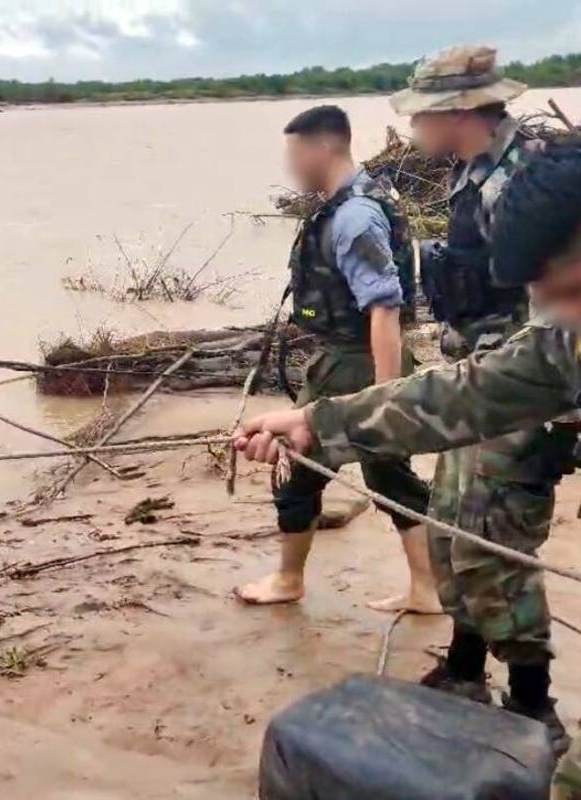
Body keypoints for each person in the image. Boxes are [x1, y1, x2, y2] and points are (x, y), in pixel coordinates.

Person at [233, 138, 581, 757]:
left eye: (571, 290)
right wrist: (317, 423)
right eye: (545, 295)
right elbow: (466, 393)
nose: (558, 312)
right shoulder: (562, 339)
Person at [393, 44, 569, 710]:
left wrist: (553, 420)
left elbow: (555, 311)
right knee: (456, 530)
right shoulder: (472, 174)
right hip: (475, 381)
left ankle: (532, 702)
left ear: (456, 111)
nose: (414, 130)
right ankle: (466, 668)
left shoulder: (521, 181)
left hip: (516, 395)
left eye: (422, 115)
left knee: (502, 543)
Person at [232, 106, 435, 612]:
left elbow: (384, 306)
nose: (290, 165)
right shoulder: (358, 200)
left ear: (323, 149)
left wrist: (385, 396)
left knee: (298, 467)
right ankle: (427, 588)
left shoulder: (354, 216)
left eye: (294, 153)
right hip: (348, 360)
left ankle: (288, 580)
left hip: (356, 364)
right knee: (387, 474)